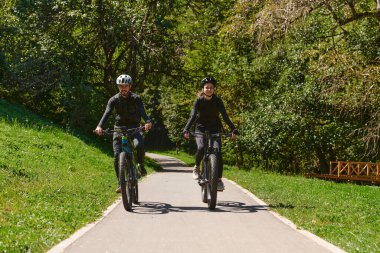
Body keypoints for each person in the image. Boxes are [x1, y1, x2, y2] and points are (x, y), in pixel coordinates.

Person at [95, 74, 152, 193]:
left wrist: (147, 121)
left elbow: (142, 111)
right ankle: (121, 183)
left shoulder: (136, 98)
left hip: (134, 127)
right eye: (121, 86)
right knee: (117, 155)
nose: (123, 88)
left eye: (126, 86)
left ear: (130, 86)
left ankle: (141, 165)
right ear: (118, 87)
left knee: (138, 145)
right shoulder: (114, 100)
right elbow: (107, 113)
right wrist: (100, 126)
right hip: (119, 128)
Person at [183, 75, 238, 191]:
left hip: (215, 128)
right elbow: (192, 116)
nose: (209, 89)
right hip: (200, 129)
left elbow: (225, 116)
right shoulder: (198, 100)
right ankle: (197, 167)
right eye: (206, 87)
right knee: (202, 147)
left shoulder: (218, 101)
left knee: (217, 152)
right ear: (203, 89)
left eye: (211, 87)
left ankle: (218, 180)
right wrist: (186, 129)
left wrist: (233, 129)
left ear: (214, 89)